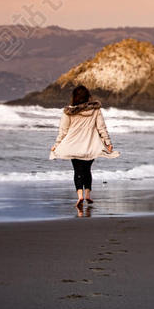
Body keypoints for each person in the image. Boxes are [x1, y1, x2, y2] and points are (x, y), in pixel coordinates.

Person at [50, 85, 120, 214]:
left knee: (77, 170)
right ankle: (87, 194)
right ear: (88, 96)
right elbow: (101, 128)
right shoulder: (95, 110)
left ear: (74, 97)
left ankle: (80, 196)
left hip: (73, 146)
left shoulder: (68, 112)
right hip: (90, 145)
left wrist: (57, 144)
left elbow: (63, 131)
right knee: (87, 170)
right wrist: (108, 142)